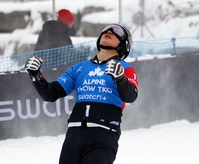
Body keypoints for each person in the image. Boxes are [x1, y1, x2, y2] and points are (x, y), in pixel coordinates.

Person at [25, 24, 138, 164]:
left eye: (117, 32)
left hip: (103, 134)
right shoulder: (80, 67)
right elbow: (51, 93)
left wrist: (121, 78)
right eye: (105, 30)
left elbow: (131, 96)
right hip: (74, 135)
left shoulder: (125, 68)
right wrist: (35, 75)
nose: (109, 31)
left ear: (124, 44)